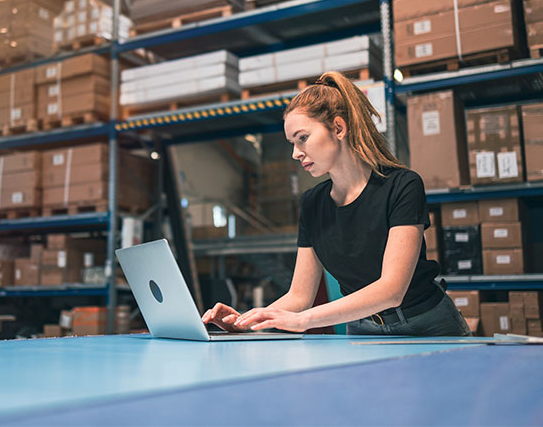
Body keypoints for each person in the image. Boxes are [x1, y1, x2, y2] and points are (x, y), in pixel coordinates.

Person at [202, 71, 471, 336]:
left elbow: (392, 290)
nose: (296, 153)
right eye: (291, 143)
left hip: (428, 325)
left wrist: (305, 320)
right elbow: (299, 296)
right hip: (364, 329)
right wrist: (246, 322)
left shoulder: (402, 186)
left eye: (302, 138)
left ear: (338, 128)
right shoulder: (312, 203)